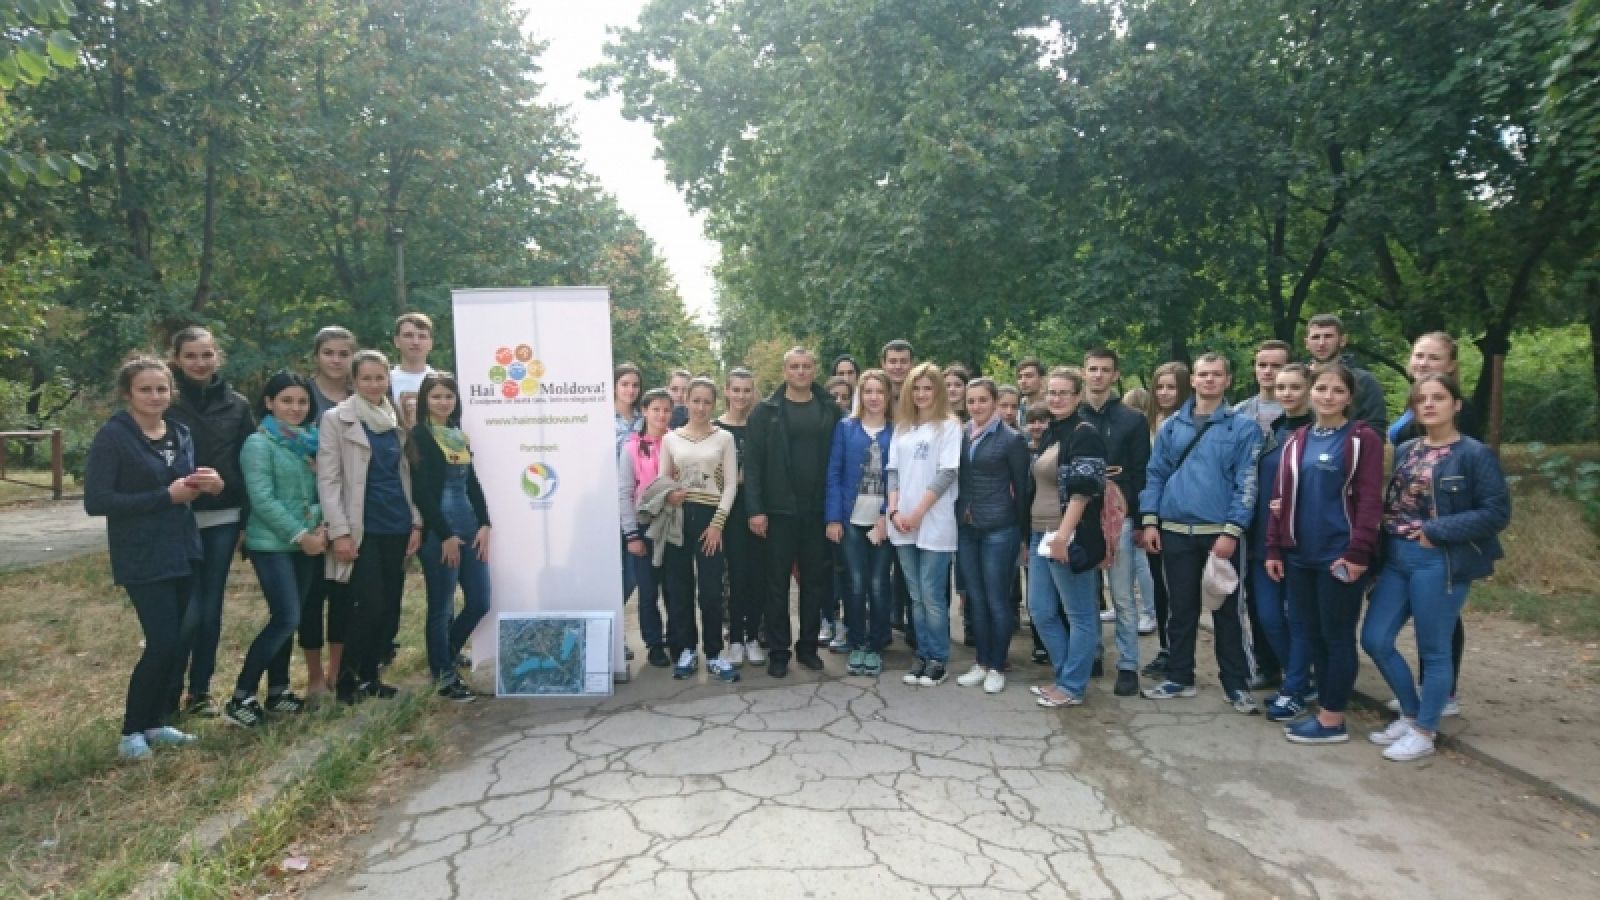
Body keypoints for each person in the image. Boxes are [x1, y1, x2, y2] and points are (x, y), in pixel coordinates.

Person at [1362, 374, 1510, 761]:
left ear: (1456, 405)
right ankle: (1411, 714)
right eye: (1421, 399)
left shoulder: (1474, 454)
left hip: (1438, 560)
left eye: (1439, 397)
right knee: (1375, 639)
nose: (1429, 404)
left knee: (1434, 649)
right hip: (1396, 558)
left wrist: (1436, 530)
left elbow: (1496, 513)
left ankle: (1425, 731)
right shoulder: (1406, 448)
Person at [86, 357, 221, 759]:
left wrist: (209, 483)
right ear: (127, 393)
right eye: (145, 389)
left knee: (180, 642)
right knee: (161, 642)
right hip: (142, 554)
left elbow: (184, 485)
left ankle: (156, 722)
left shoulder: (179, 432)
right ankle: (130, 731)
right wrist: (165, 497)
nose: (155, 396)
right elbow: (98, 500)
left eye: (161, 389)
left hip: (183, 549)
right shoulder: (114, 436)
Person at [1265, 364, 1384, 744]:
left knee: (1337, 636)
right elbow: (1279, 499)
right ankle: (1323, 711)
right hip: (1300, 555)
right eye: (1321, 389)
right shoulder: (1297, 439)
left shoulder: (1362, 439)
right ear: (1311, 393)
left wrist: (1358, 552)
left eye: (1337, 390)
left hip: (1340, 556)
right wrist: (1274, 547)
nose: (1328, 396)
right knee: (1310, 633)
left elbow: (1370, 502)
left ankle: (1333, 720)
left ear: (1349, 397)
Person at [1138, 353, 1263, 713]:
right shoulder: (1172, 426)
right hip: (1174, 530)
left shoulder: (1244, 428)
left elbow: (1247, 483)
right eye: (1203, 374)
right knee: (1181, 609)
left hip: (1219, 533)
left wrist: (1233, 531)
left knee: (1227, 611)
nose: (1209, 380)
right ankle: (1179, 676)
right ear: (1192, 380)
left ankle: (1236, 683)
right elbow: (1155, 474)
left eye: (1216, 374)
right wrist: (1150, 520)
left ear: (1227, 380)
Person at [1386, 331, 1482, 717]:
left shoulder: (1458, 412)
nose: (1423, 363)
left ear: (1451, 365)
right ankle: (1430, 689)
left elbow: (1466, 476)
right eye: (1418, 356)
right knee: (1427, 616)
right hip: (1406, 531)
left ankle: (1442, 693)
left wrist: (1439, 528)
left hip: (1440, 533)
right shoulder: (1416, 404)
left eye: (1433, 357)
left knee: (1442, 618)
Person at [318, 350, 423, 704]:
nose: (374, 384)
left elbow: (406, 475)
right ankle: (346, 681)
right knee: (369, 605)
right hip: (362, 526)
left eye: (380, 378)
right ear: (354, 380)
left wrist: (415, 522)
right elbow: (329, 480)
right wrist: (339, 531)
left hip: (397, 522)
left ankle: (370, 676)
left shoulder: (395, 419)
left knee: (390, 607)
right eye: (366, 378)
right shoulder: (337, 419)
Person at [223, 373, 323, 727]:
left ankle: (278, 691)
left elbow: (317, 494)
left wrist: (321, 527)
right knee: (286, 618)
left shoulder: (309, 442)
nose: (295, 408)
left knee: (290, 618)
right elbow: (262, 500)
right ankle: (241, 697)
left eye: (302, 401)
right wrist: (301, 535)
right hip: (272, 544)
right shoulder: (258, 444)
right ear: (269, 403)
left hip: (307, 542)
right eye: (286, 401)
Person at [166, 326, 256, 719]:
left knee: (210, 608)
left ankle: (200, 691)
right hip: (176, 517)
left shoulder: (237, 404)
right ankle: (168, 692)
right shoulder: (165, 401)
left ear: (217, 356)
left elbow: (249, 462)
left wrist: (232, 498)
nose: (200, 363)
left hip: (222, 517)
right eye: (191, 356)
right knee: (185, 612)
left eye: (206, 355)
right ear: (177, 359)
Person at [746, 348, 843, 676]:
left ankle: (808, 648)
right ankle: (779, 651)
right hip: (778, 512)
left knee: (814, 583)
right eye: (794, 366)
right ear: (785, 371)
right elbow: (753, 465)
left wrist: (834, 511)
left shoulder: (830, 409)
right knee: (776, 584)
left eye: (806, 366)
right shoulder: (766, 412)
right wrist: (756, 510)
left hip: (816, 511)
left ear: (815, 370)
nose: (801, 371)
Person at [1027, 367, 1108, 708]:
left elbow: (1083, 490)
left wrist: (1063, 536)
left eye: (1064, 393)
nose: (1056, 399)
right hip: (1039, 533)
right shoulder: (1052, 432)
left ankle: (1073, 686)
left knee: (1080, 615)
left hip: (1067, 534)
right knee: (1041, 610)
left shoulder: (1084, 433)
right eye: (1052, 393)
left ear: (1077, 397)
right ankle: (1065, 676)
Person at [410, 372, 492, 702]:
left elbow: (472, 484)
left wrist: (485, 524)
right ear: (424, 401)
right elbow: (421, 491)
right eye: (436, 396)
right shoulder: (419, 435)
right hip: (438, 532)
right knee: (441, 608)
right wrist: (444, 535)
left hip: (469, 526)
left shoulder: (458, 435)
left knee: (480, 601)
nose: (443, 402)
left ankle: (446, 653)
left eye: (449, 396)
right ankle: (444, 676)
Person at [1078, 348, 1152, 696]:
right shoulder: (1073, 414)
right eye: (1093, 369)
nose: (1098, 375)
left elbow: (1141, 472)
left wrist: (1140, 519)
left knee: (1122, 594)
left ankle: (1127, 664)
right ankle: (1092, 652)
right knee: (1086, 591)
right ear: (1083, 372)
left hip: (1120, 515)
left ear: (1115, 375)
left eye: (1105, 369)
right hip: (1079, 515)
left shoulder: (1132, 420)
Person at [659, 378, 742, 682]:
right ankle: (687, 650)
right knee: (679, 588)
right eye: (696, 401)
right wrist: (669, 495)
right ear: (687, 401)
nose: (701, 407)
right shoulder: (671, 439)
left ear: (714, 403)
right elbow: (663, 480)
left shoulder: (724, 438)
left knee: (710, 590)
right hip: (679, 518)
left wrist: (718, 524)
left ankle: (715, 652)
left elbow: (731, 484)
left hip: (712, 519)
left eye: (707, 402)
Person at [887, 362, 962, 687]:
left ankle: (938, 659)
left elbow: (947, 473)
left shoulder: (949, 426)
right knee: (915, 596)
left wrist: (917, 513)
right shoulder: (903, 427)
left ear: (938, 391)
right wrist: (894, 511)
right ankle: (921, 653)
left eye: (927, 388)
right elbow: (892, 472)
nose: (921, 394)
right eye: (916, 388)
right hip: (902, 521)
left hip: (933, 521)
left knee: (932, 595)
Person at [955, 377, 1030, 694]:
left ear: (995, 402)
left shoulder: (1012, 439)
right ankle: (981, 662)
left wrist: (1024, 535)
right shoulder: (961, 434)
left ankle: (998, 665)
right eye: (971, 401)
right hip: (967, 528)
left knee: (997, 600)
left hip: (1000, 528)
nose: (976, 406)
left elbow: (1023, 489)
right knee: (976, 599)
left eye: (983, 400)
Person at [1251, 364, 1315, 722]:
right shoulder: (1272, 432)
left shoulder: (1319, 433)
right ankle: (1299, 678)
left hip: (1302, 540)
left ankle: (1295, 687)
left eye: (1295, 387)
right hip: (1265, 537)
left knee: (1299, 619)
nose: (1287, 394)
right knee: (1268, 616)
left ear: (1309, 390)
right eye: (1281, 387)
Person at [826, 369, 895, 678]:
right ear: (860, 395)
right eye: (868, 391)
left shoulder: (897, 430)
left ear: (888, 396)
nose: (874, 397)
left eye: (879, 391)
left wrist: (887, 515)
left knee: (879, 584)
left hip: (883, 520)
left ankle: (876, 644)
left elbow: (902, 478)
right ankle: (857, 642)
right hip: (852, 518)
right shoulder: (846, 428)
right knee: (855, 583)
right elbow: (834, 472)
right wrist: (833, 517)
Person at [301, 326, 357, 697]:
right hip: (306, 508)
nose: (336, 360)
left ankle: (338, 671)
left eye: (343, 354)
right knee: (311, 596)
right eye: (329, 353)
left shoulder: (361, 395)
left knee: (342, 593)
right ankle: (314, 677)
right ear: (317, 356)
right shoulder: (302, 394)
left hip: (349, 507)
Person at [1137, 361, 1190, 678]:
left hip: (1180, 513)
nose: (1165, 393)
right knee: (1160, 585)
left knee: (1178, 590)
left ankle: (1178, 653)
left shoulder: (1189, 422)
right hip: (1152, 511)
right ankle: (1166, 648)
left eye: (1172, 387)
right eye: (1160, 387)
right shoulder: (1147, 422)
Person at [619, 389, 676, 667]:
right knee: (649, 590)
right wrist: (631, 534)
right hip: (644, 526)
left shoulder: (678, 441)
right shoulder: (631, 447)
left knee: (675, 588)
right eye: (656, 409)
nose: (661, 415)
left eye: (666, 410)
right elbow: (625, 492)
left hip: (674, 524)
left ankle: (677, 639)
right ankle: (654, 644)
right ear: (644, 411)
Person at [717, 368, 766, 666]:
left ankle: (753, 637)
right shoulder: (716, 428)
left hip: (757, 509)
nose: (741, 396)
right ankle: (735, 638)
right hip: (729, 512)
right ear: (726, 391)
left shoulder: (760, 426)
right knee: (735, 576)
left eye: (747, 390)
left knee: (757, 575)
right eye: (736, 390)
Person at [1304, 313, 1388, 437]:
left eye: (1328, 336)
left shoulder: (1363, 381)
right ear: (1307, 343)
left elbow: (1376, 429)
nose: (1321, 343)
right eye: (1315, 337)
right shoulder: (1296, 379)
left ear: (1342, 340)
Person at [820, 374, 855, 649]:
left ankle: (846, 623)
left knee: (846, 570)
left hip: (847, 509)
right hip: (819, 506)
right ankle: (827, 618)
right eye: (835, 397)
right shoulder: (818, 424)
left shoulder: (853, 428)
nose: (840, 402)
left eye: (845, 397)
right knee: (824, 569)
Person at [1234, 340, 1292, 432]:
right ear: (1255, 368)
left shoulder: (1303, 411)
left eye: (1275, 366)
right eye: (1262, 365)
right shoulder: (1239, 411)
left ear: (1289, 369)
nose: (1267, 371)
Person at [390, 312, 435, 406]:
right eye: (408, 335)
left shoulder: (441, 383)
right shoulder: (385, 382)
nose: (415, 342)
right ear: (397, 341)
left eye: (422, 336)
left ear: (430, 343)